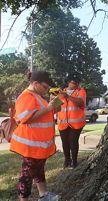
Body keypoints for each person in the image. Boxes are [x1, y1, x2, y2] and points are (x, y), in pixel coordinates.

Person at [10, 71, 61, 201]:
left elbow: (49, 113)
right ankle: (24, 199)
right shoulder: (26, 96)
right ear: (35, 83)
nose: (47, 90)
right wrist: (49, 108)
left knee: (39, 170)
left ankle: (43, 195)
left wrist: (56, 104)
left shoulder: (38, 96)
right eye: (45, 87)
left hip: (38, 145)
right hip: (30, 145)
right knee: (27, 174)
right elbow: (26, 119)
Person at [57, 74, 86, 169]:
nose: (76, 84)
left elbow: (81, 103)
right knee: (64, 143)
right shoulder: (60, 92)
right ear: (68, 82)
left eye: (78, 82)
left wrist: (67, 97)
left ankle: (74, 161)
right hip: (63, 122)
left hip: (76, 123)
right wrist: (53, 99)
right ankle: (67, 160)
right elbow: (56, 107)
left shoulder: (81, 91)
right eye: (74, 82)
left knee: (73, 142)